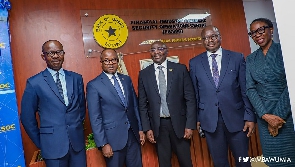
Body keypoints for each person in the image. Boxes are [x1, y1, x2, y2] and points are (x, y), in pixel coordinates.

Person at [189, 25, 256, 167]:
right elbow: (195, 93)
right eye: (206, 38)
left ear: (220, 37)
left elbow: (245, 89)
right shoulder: (194, 63)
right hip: (210, 121)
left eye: (213, 36)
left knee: (243, 161)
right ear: (202, 41)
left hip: (237, 119)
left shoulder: (236, 58)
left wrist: (249, 116)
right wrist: (197, 118)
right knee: (219, 162)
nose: (210, 40)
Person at [20, 40, 86, 167]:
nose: (55, 56)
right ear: (43, 56)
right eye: (50, 53)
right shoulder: (34, 83)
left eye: (59, 52)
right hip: (52, 148)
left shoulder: (76, 78)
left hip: (77, 145)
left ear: (63, 54)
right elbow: (27, 118)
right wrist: (42, 142)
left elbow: (81, 108)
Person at [138, 41, 197, 167]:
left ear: (166, 51)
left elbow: (190, 99)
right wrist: (147, 128)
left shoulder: (180, 69)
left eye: (160, 49)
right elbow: (142, 104)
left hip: (180, 125)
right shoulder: (144, 74)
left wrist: (190, 125)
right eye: (153, 50)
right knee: (164, 163)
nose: (156, 52)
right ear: (150, 53)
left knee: (186, 162)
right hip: (158, 126)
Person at [246, 18, 295, 167]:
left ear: (271, 30)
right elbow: (250, 88)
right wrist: (266, 116)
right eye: (253, 33)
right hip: (264, 116)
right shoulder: (250, 59)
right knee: (273, 161)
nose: (257, 35)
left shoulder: (286, 50)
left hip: (287, 116)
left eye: (261, 29)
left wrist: (277, 117)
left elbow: (291, 83)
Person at [86, 48, 145, 167]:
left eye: (114, 60)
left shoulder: (126, 80)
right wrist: (103, 144)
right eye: (107, 60)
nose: (111, 63)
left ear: (118, 61)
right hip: (112, 140)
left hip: (132, 136)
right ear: (101, 62)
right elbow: (95, 117)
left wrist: (140, 129)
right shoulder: (94, 85)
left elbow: (134, 106)